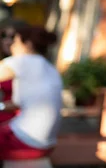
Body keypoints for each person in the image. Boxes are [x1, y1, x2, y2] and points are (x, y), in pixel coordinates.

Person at [0, 26, 63, 160]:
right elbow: (17, 104)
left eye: (16, 42)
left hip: (23, 143)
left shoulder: (22, 61)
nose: (12, 45)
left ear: (27, 44)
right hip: (46, 145)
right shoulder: (50, 68)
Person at [0, 18, 27, 125]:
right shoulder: (5, 62)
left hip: (19, 121)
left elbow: (22, 102)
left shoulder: (27, 64)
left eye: (12, 37)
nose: (7, 41)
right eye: (3, 36)